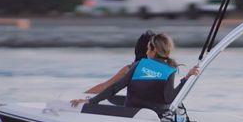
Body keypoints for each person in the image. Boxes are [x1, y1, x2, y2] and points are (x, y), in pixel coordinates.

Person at [71, 33, 199, 116]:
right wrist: (186, 79)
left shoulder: (139, 65)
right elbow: (169, 98)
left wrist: (91, 101)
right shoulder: (170, 70)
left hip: (131, 113)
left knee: (112, 98)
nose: (147, 52)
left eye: (149, 48)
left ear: (154, 50)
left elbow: (116, 87)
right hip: (154, 116)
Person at [84, 30, 156, 94]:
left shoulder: (129, 69)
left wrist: (84, 96)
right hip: (155, 105)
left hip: (136, 105)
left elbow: (106, 86)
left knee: (109, 94)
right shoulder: (165, 67)